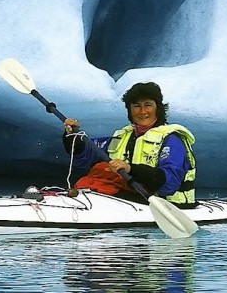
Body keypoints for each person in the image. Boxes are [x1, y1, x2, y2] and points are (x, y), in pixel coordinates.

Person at [63, 82, 196, 207]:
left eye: (148, 105)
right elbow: (86, 154)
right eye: (136, 106)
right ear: (130, 110)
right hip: (130, 199)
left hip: (167, 205)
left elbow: (170, 183)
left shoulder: (172, 140)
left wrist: (130, 169)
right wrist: (72, 135)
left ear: (158, 109)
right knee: (100, 169)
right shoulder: (122, 137)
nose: (142, 111)